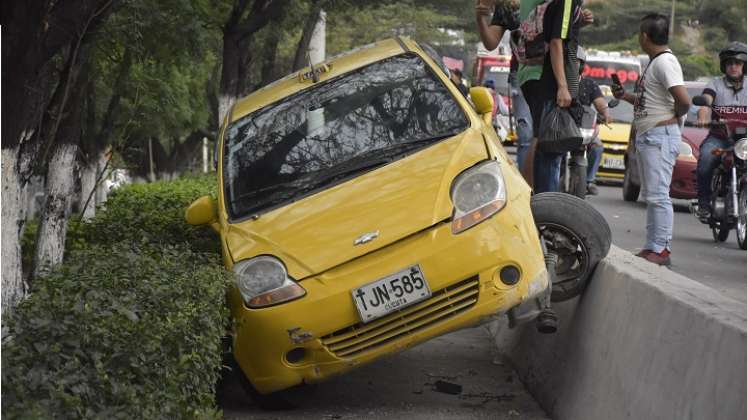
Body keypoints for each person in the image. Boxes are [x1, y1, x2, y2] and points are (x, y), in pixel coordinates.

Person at [612, 13, 690, 267]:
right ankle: (652, 245)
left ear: (644, 36)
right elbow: (650, 102)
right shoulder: (656, 63)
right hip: (652, 134)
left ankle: (662, 248)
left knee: (658, 195)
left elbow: (684, 100)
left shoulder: (665, 63)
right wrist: (624, 96)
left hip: (660, 136)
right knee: (652, 194)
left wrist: (673, 118)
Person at [517, 0, 591, 193]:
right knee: (551, 149)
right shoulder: (567, 1)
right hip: (549, 82)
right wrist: (563, 86)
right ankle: (548, 210)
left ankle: (540, 205)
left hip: (539, 79)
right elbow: (556, 42)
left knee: (545, 145)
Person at [475, 0, 533, 173]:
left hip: (549, 74)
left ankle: (549, 192)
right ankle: (528, 192)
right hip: (521, 75)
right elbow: (491, 43)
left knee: (548, 137)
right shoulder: (506, 5)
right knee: (526, 136)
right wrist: (480, 19)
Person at [694, 42, 747, 221]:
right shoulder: (716, 84)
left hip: (744, 142)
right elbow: (706, 101)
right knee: (706, 159)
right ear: (724, 65)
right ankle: (703, 203)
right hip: (720, 139)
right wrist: (703, 117)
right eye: (729, 63)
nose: (733, 67)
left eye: (737, 63)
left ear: (744, 65)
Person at [576, 46, 613, 195]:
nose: (574, 64)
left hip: (584, 127)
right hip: (562, 126)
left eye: (578, 62)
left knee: (597, 146)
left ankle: (589, 180)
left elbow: (600, 103)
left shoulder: (589, 84)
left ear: (582, 64)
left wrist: (605, 113)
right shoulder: (558, 81)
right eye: (571, 61)